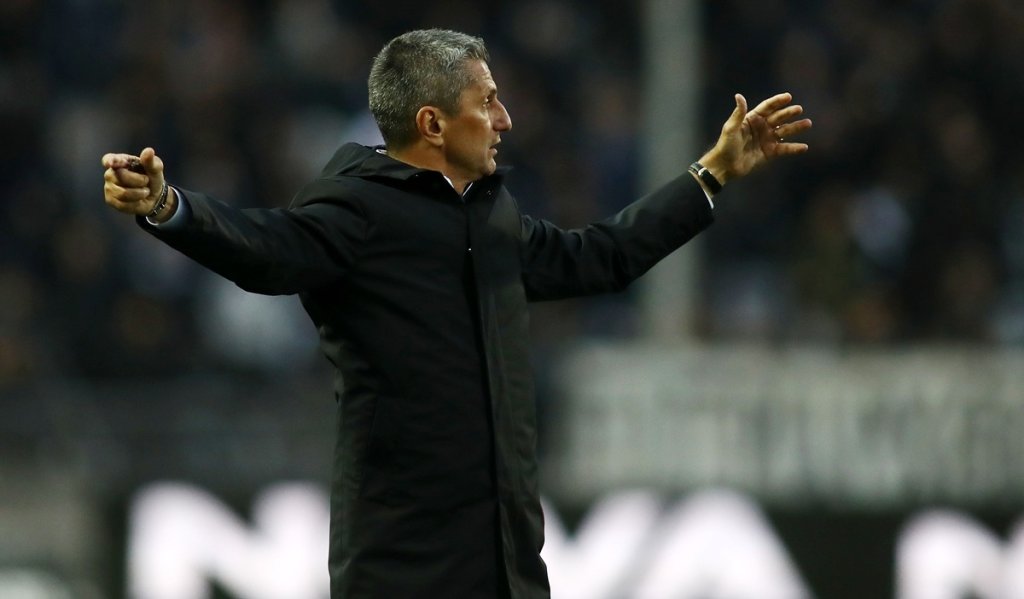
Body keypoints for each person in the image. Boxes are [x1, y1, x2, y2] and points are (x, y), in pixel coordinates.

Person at [101, 28, 810, 599]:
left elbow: (602, 256)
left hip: (507, 562)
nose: (505, 119)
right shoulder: (356, 210)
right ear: (433, 123)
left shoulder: (491, 216)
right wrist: (169, 206)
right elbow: (266, 250)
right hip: (403, 567)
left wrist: (712, 173)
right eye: (488, 102)